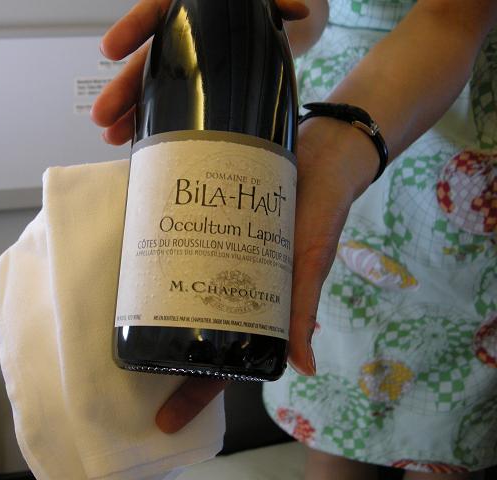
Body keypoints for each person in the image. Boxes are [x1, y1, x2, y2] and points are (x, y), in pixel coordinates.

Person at [92, 1, 497, 479]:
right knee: (332, 420)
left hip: (436, 158)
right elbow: (307, 13)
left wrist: (339, 143)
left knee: (438, 443)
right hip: (305, 156)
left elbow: (452, 17)